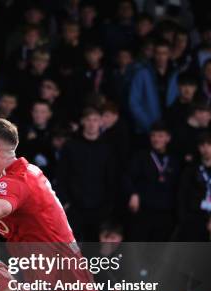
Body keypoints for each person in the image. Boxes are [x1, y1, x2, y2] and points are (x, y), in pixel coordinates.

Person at [56, 108, 116, 242]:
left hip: (99, 208)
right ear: (82, 122)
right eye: (88, 120)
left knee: (94, 249)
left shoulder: (107, 148)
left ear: (101, 122)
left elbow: (111, 179)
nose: (92, 123)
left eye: (95, 120)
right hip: (74, 207)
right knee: (71, 248)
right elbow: (62, 175)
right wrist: (65, 202)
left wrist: (107, 206)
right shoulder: (70, 146)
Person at [124, 123, 180, 241]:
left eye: (160, 136)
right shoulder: (140, 156)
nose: (156, 139)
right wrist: (133, 194)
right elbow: (128, 177)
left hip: (166, 212)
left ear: (168, 138)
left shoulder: (174, 159)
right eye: (153, 136)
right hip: (143, 210)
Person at [129, 39, 179, 136]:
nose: (161, 57)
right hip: (147, 128)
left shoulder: (175, 73)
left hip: (171, 127)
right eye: (158, 53)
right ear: (153, 54)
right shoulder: (142, 73)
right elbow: (134, 103)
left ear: (169, 54)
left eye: (164, 53)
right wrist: (149, 124)